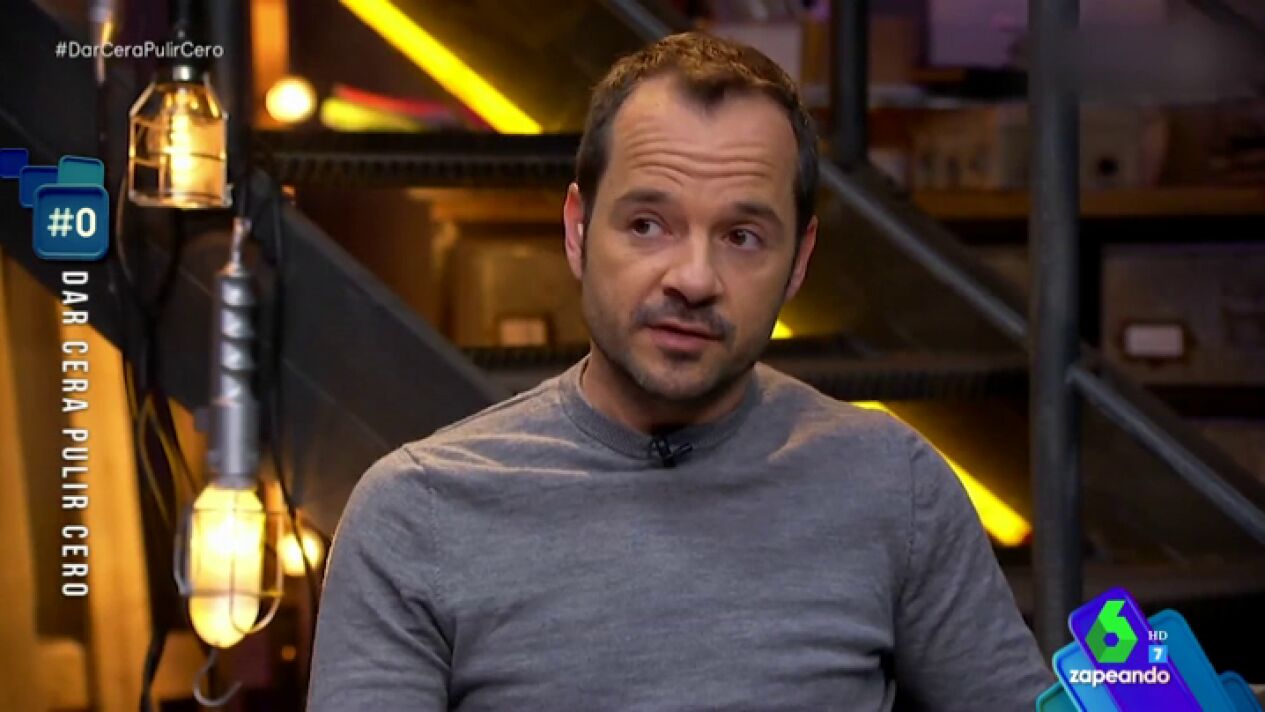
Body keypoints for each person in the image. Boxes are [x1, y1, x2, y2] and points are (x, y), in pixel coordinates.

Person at [308, 32, 1054, 711]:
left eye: (741, 235)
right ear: (577, 230)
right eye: (647, 224)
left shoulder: (894, 486)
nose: (693, 278)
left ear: (798, 261)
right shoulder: (415, 514)